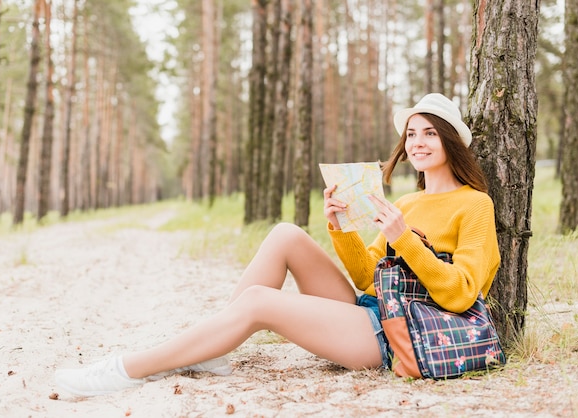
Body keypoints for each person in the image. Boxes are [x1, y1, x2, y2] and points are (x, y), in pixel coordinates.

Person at [54, 93, 500, 397]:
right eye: (412, 133)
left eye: (429, 134)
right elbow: (369, 278)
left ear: (450, 143)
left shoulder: (474, 205)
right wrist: (341, 226)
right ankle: (213, 349)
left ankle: (126, 369)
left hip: (403, 335)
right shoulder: (407, 200)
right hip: (377, 308)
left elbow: (461, 294)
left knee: (258, 303)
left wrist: (404, 238)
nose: (417, 143)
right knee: (286, 233)